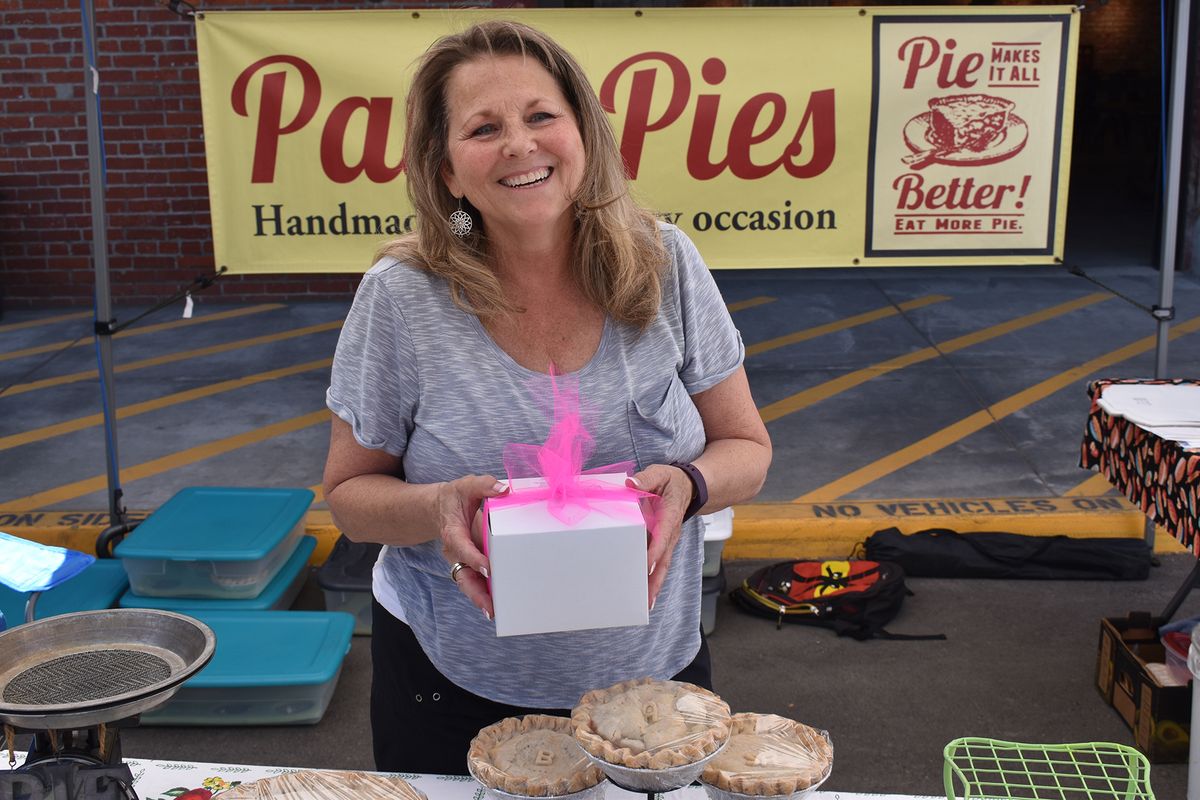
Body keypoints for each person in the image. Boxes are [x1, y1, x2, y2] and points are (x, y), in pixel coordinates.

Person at [322, 20, 771, 775]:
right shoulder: (401, 299)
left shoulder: (667, 264)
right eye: (483, 128)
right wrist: (438, 508)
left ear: (583, 136)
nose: (519, 145)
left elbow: (748, 451)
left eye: (540, 116)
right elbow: (349, 495)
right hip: (452, 685)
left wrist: (690, 484)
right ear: (447, 172)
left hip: (652, 684)